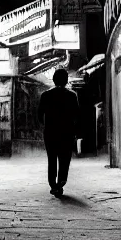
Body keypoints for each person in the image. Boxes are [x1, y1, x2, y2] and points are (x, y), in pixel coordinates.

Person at [38, 68, 79, 197]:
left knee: (52, 159)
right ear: (66, 81)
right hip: (67, 133)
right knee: (64, 158)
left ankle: (53, 185)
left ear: (54, 80)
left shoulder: (46, 95)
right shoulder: (72, 95)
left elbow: (39, 115)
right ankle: (61, 182)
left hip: (50, 132)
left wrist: (46, 125)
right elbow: (76, 115)